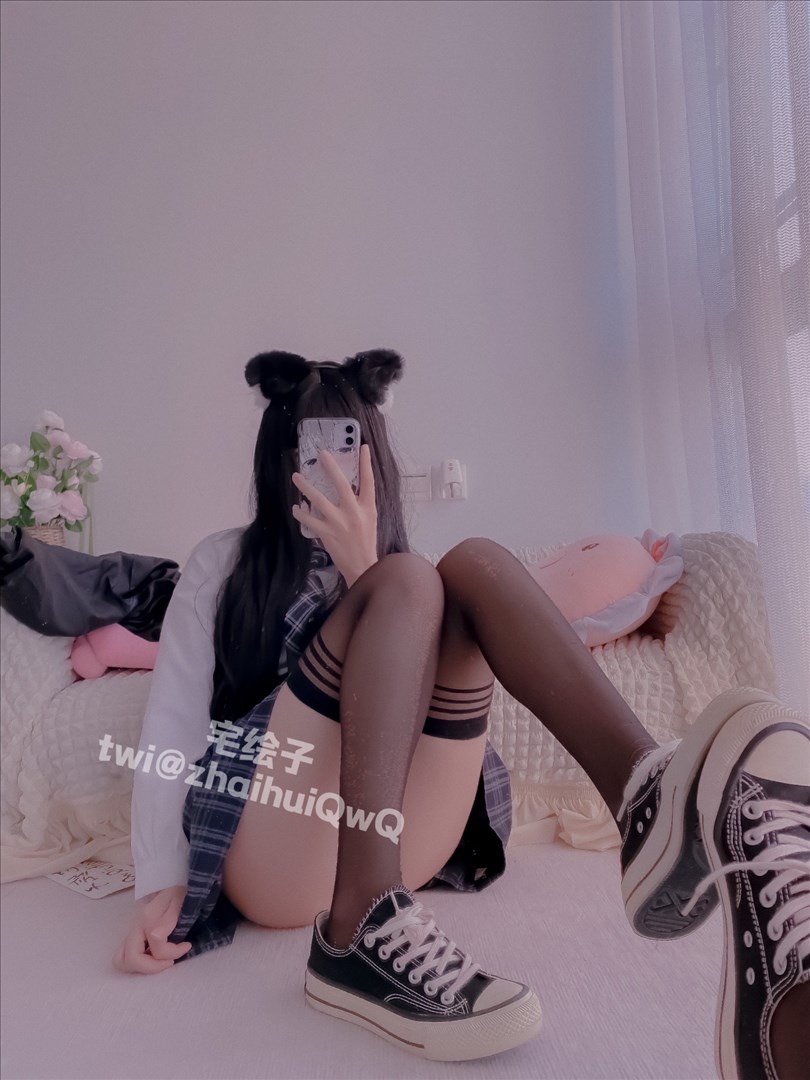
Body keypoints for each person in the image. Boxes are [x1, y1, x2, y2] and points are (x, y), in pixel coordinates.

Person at [115, 349, 808, 1074]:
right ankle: (356, 926)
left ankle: (643, 798)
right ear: (278, 458)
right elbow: (174, 718)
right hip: (273, 845)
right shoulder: (222, 561)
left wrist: (364, 568)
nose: (328, 467)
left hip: (405, 835)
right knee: (410, 582)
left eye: (347, 448)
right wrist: (161, 878)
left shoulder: (402, 572)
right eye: (310, 447)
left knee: (472, 563)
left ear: (374, 459)